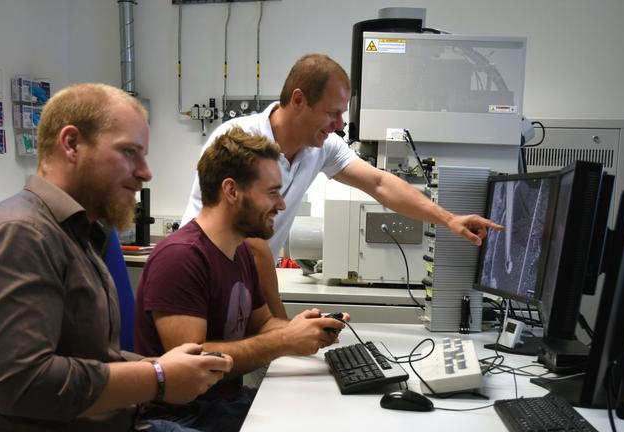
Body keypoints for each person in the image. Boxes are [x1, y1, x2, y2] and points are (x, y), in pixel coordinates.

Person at [0, 83, 326, 432]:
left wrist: (154, 369)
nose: (145, 171)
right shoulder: (18, 236)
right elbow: (22, 383)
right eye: (130, 153)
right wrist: (159, 377)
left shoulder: (78, 235)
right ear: (71, 144)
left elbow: (88, 357)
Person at [181, 53, 502, 318]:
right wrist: (283, 326)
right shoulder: (238, 142)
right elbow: (250, 245)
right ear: (298, 100)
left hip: (246, 289)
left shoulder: (320, 147)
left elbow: (379, 183)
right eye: (332, 113)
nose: (340, 124)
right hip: (203, 282)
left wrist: (448, 219)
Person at [135, 126, 347, 432]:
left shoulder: (241, 250)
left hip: (223, 406)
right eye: (273, 192)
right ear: (232, 191)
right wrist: (283, 342)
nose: (282, 205)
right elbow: (194, 362)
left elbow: (262, 324)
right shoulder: (181, 257)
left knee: (323, 427)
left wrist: (302, 329)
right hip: (181, 422)